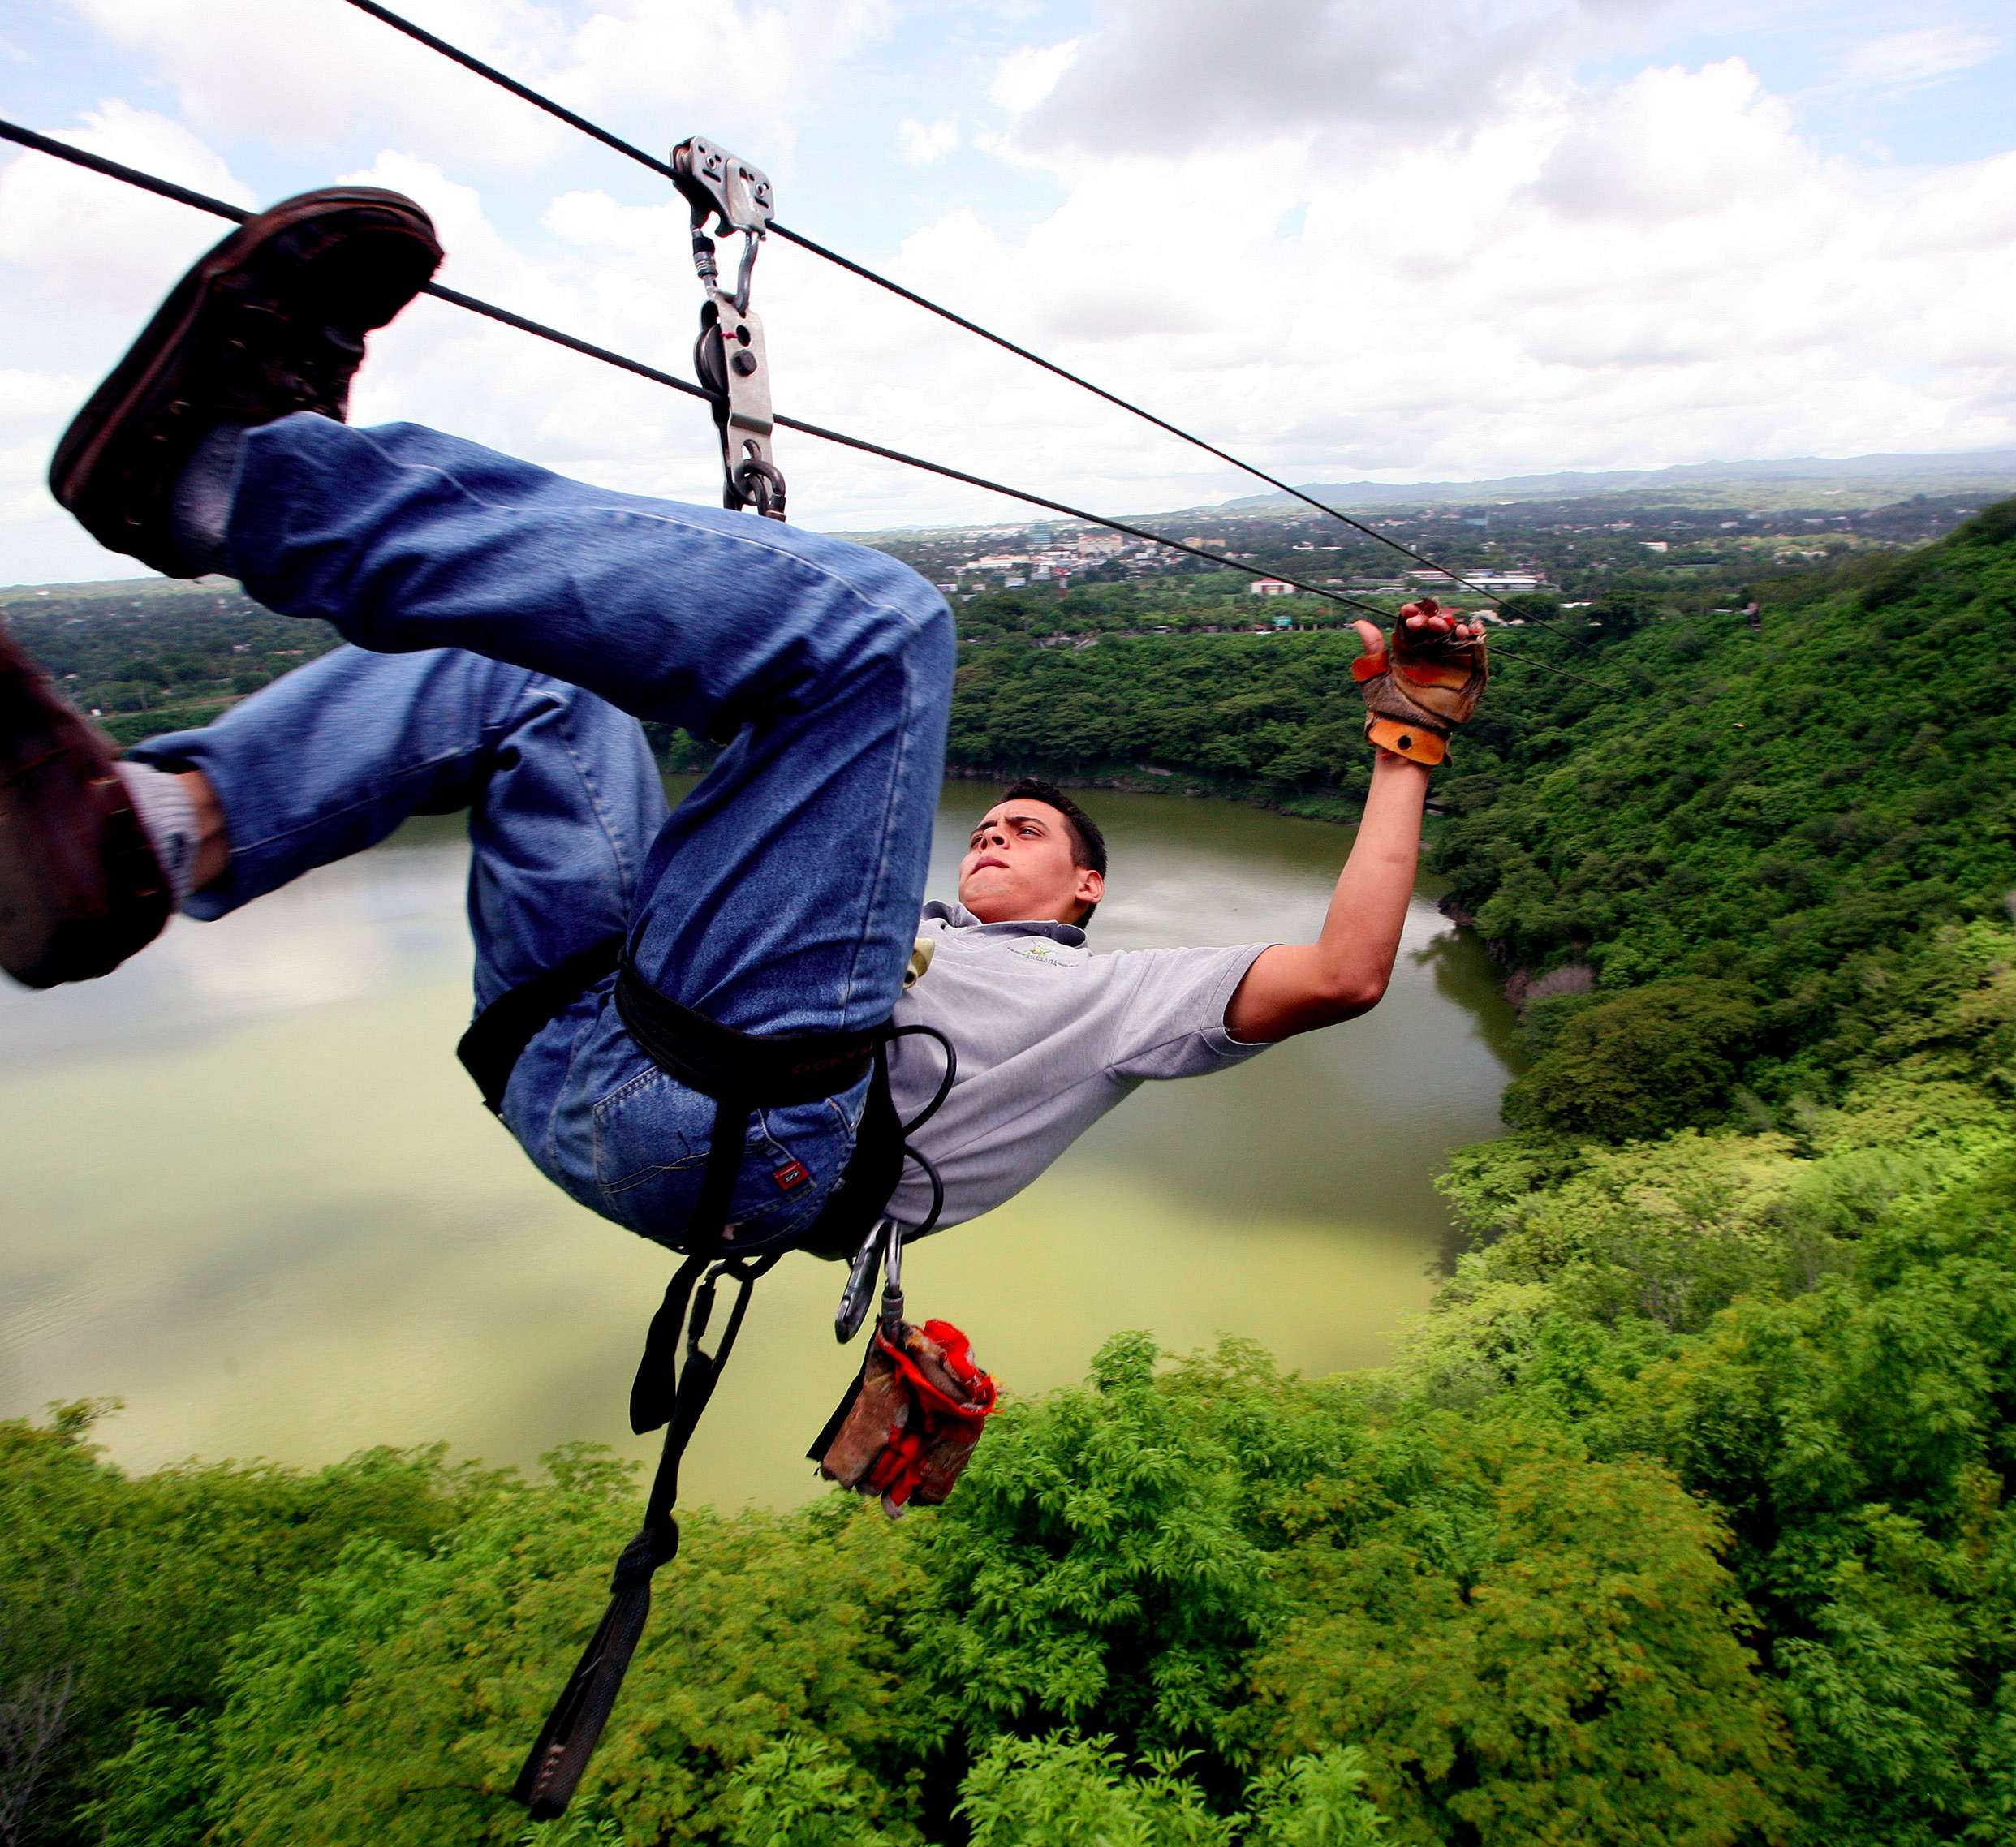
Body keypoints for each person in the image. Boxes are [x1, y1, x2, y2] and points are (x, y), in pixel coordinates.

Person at [2, 187, 1490, 1264]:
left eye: (1031, 832)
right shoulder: (893, 935)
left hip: (737, 1134)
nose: (995, 831)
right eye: (994, 818)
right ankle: (144, 837)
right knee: (544, 686)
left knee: (892, 638)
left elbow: (1353, 972)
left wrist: (1405, 743)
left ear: (1089, 893)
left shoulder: (1114, 1010)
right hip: (583, 1041)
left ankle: (233, 481)